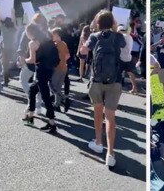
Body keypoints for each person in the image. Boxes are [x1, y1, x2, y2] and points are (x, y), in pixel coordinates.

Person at [80, 10, 127, 167]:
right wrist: (115, 28)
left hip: (97, 80)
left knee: (97, 113)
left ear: (98, 23)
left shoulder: (94, 36)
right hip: (115, 81)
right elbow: (124, 49)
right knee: (111, 117)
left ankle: (99, 143)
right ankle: (111, 153)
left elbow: (83, 51)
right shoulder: (119, 37)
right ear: (113, 22)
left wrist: (92, 29)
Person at [21, 24, 59, 134]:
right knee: (33, 91)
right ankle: (30, 115)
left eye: (26, 32)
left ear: (30, 32)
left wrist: (23, 61)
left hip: (41, 70)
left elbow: (32, 59)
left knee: (45, 96)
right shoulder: (45, 38)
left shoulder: (32, 43)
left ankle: (52, 123)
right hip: (49, 69)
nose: (26, 34)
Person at [50, 27, 71, 112]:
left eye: (53, 34)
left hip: (58, 68)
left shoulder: (56, 45)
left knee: (52, 85)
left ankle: (64, 99)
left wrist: (59, 62)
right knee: (58, 87)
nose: (52, 36)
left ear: (58, 35)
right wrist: (63, 61)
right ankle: (57, 104)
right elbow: (68, 56)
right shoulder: (64, 43)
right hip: (64, 68)